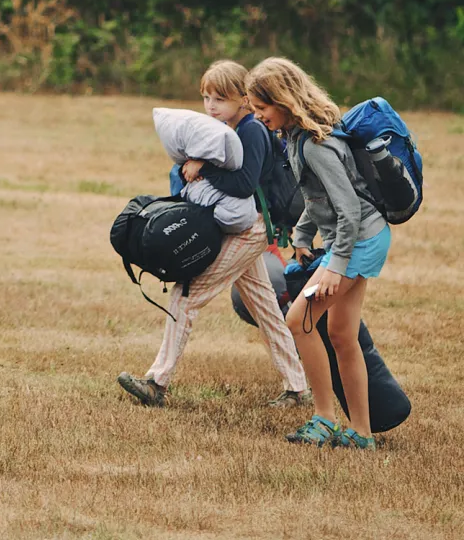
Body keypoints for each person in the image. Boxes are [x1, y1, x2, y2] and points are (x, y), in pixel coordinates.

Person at [118, 61, 309, 408]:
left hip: (250, 230)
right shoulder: (224, 129)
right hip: (244, 226)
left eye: (220, 98)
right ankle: (297, 386)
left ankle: (157, 383)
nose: (211, 106)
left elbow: (243, 184)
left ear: (244, 100)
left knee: (186, 294)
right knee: (265, 307)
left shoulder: (251, 131)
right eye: (206, 97)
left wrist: (202, 168)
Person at [247, 57, 388, 450]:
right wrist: (305, 234)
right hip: (361, 237)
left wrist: (334, 266)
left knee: (298, 320)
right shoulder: (296, 139)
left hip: (359, 239)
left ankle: (324, 417)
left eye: (262, 108)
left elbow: (349, 210)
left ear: (284, 101)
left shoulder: (316, 145)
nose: (258, 117)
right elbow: (318, 197)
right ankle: (361, 434)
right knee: (341, 334)